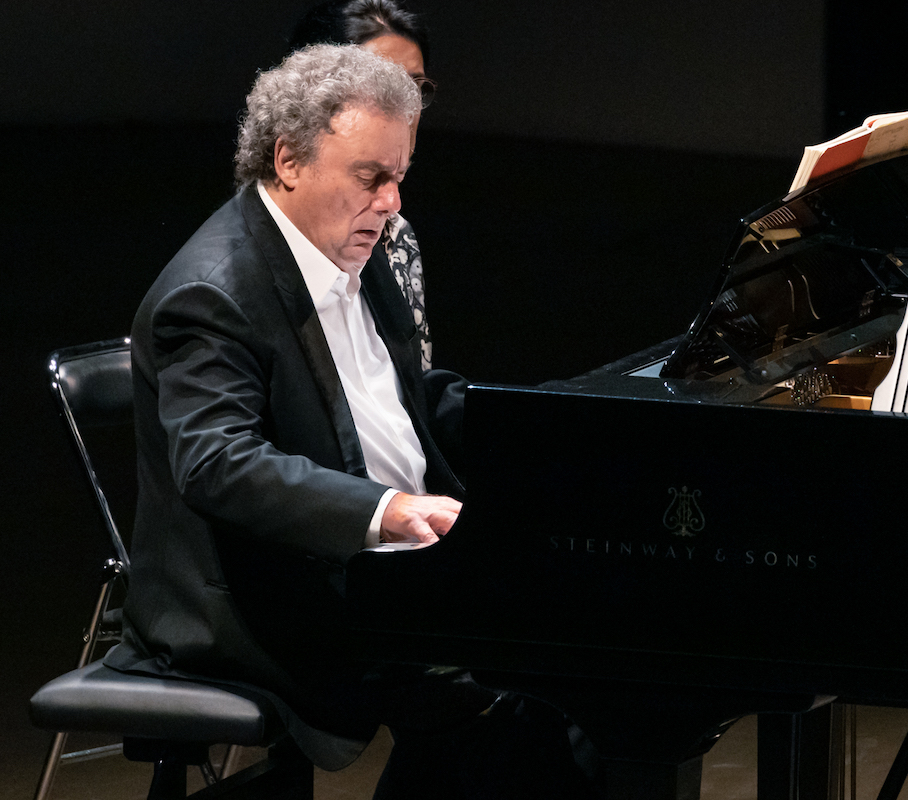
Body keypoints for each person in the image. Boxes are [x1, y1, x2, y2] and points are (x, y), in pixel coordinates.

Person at [103, 44, 589, 798]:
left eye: (400, 178)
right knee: (532, 685)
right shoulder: (211, 295)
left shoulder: (357, 246)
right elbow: (217, 462)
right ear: (289, 159)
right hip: (267, 603)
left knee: (567, 656)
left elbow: (406, 402)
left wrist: (545, 421)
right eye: (372, 178)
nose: (392, 202)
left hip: (373, 579)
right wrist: (386, 510)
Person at [291, 0, 436, 372]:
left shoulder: (398, 235)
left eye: (414, 87)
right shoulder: (275, 231)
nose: (402, 109)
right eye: (381, 84)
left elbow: (413, 392)